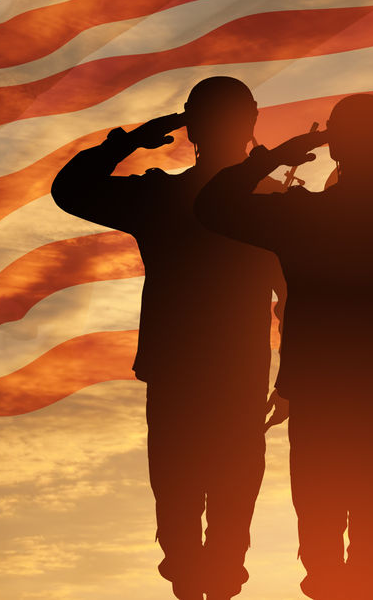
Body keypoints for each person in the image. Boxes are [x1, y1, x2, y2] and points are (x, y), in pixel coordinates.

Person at [195, 93, 373, 600]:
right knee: (368, 546)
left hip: (319, 395)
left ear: (335, 147)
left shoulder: (303, 217)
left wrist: (277, 155)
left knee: (322, 545)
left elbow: (212, 207)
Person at [50, 76, 283, 600]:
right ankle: (203, 574)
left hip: (192, 370)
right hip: (230, 372)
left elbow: (71, 188)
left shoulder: (163, 197)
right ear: (250, 124)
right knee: (218, 506)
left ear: (191, 127)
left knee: (189, 503)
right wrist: (292, 372)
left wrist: (132, 140)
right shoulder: (267, 200)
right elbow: (293, 295)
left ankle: (195, 574)